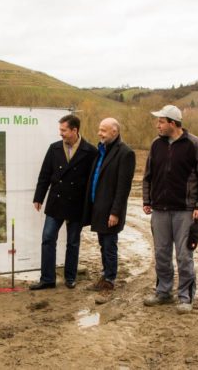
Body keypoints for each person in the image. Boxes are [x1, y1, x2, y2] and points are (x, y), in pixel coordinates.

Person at [142, 105, 198, 314]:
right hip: (160, 209)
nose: (158, 125)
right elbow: (148, 176)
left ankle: (185, 297)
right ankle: (163, 292)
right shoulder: (156, 145)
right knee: (161, 253)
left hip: (185, 211)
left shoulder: (194, 144)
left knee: (184, 256)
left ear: (172, 123)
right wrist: (147, 199)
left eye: (161, 121)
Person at [29, 115, 97, 290]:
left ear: (75, 130)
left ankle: (70, 277)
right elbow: (45, 174)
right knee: (48, 238)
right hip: (56, 201)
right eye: (60, 131)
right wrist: (39, 197)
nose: (61, 134)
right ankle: (47, 279)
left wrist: (91, 206)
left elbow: (92, 181)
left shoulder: (90, 151)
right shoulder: (54, 149)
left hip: (77, 203)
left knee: (73, 242)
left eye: (64, 130)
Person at [83, 118, 136, 292]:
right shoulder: (101, 150)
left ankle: (109, 279)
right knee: (102, 244)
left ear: (115, 132)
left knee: (109, 245)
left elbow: (123, 188)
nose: (100, 133)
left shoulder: (125, 153)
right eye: (100, 130)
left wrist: (115, 212)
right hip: (98, 207)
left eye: (104, 130)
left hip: (110, 210)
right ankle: (106, 274)